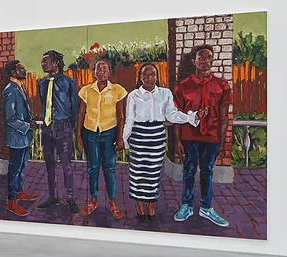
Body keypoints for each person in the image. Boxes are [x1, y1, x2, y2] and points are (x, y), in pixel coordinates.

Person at [123, 64, 199, 222]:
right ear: (140, 77)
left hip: (157, 135)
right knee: (137, 172)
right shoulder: (133, 95)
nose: (148, 78)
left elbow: (171, 115)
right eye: (145, 75)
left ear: (157, 77)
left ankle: (151, 205)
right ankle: (139, 204)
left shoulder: (165, 93)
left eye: (152, 74)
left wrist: (190, 118)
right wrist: (123, 140)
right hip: (139, 135)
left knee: (153, 172)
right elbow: (129, 120)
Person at [172, 45, 234, 227]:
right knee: (189, 171)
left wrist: (223, 142)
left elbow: (224, 116)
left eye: (209, 58)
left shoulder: (222, 85)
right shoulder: (183, 87)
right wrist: (177, 140)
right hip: (189, 136)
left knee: (207, 171)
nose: (205, 61)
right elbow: (177, 116)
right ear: (194, 61)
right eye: (201, 58)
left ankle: (206, 207)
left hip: (211, 136)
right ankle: (187, 205)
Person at [77, 58, 127, 220]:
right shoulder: (86, 91)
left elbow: (121, 116)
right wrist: (78, 136)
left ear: (110, 72)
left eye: (104, 69)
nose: (101, 72)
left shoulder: (117, 90)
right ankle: (93, 200)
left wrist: (120, 137)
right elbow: (81, 113)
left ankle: (112, 201)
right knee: (92, 168)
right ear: (93, 72)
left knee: (109, 168)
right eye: (98, 69)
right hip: (91, 133)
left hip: (109, 133)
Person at [35, 50, 80, 214]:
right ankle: (53, 196)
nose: (43, 64)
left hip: (63, 128)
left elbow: (75, 107)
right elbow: (44, 104)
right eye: (42, 61)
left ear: (56, 63)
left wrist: (69, 126)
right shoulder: (41, 83)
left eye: (46, 61)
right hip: (48, 128)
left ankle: (70, 198)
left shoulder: (69, 82)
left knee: (67, 165)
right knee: (50, 165)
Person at [0, 60, 37, 217]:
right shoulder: (10, 90)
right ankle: (11, 201)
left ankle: (20, 192)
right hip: (16, 137)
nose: (24, 70)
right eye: (21, 68)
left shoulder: (20, 86)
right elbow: (10, 118)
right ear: (13, 72)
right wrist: (28, 126)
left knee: (22, 166)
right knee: (14, 169)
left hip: (23, 136)